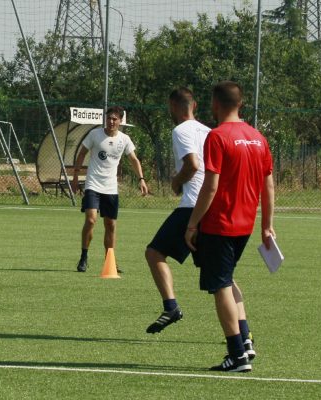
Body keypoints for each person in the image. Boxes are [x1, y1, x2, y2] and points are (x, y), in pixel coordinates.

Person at [185, 81, 275, 373]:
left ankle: (236, 354)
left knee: (220, 285)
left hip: (220, 223)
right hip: (245, 224)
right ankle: (245, 341)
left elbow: (210, 186)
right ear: (241, 103)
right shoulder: (258, 138)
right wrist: (267, 226)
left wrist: (192, 223)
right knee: (227, 278)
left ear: (215, 104)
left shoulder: (217, 136)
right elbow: (268, 185)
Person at [144, 87, 210, 333]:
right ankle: (244, 334)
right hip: (212, 205)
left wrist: (176, 181)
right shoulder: (210, 131)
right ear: (195, 106)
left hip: (192, 207)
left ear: (173, 106)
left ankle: (171, 306)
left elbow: (192, 165)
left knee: (154, 253)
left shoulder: (181, 130)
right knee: (219, 275)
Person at [71, 106, 149, 273]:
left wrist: (141, 179)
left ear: (120, 121)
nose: (111, 121)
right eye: (109, 118)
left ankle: (110, 261)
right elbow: (82, 152)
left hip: (110, 188)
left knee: (110, 225)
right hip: (92, 184)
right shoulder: (95, 135)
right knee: (91, 220)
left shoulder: (125, 139)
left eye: (115, 119)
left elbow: (133, 159)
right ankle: (84, 257)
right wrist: (76, 176)